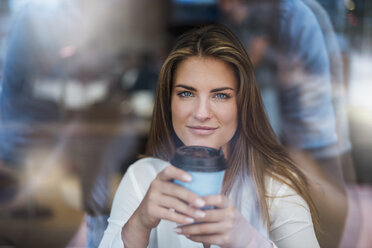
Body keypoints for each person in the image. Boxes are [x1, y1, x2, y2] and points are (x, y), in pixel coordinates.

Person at [99, 24, 319, 248]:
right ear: (168, 102)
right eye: (186, 93)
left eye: (221, 95)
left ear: (242, 104)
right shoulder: (143, 178)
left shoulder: (276, 189)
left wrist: (251, 242)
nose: (201, 113)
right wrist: (138, 225)